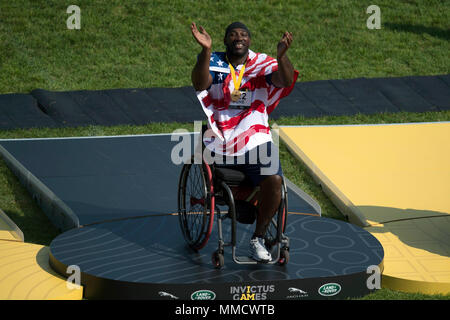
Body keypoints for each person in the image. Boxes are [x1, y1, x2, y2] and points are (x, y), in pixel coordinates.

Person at [190, 21, 298, 262]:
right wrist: (206, 51)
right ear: (225, 40)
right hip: (220, 139)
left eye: (244, 35)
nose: (239, 38)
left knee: (275, 180)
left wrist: (282, 56)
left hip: (255, 138)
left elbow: (286, 80)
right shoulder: (215, 61)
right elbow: (199, 83)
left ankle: (257, 238)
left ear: (249, 41)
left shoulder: (262, 64)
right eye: (233, 34)